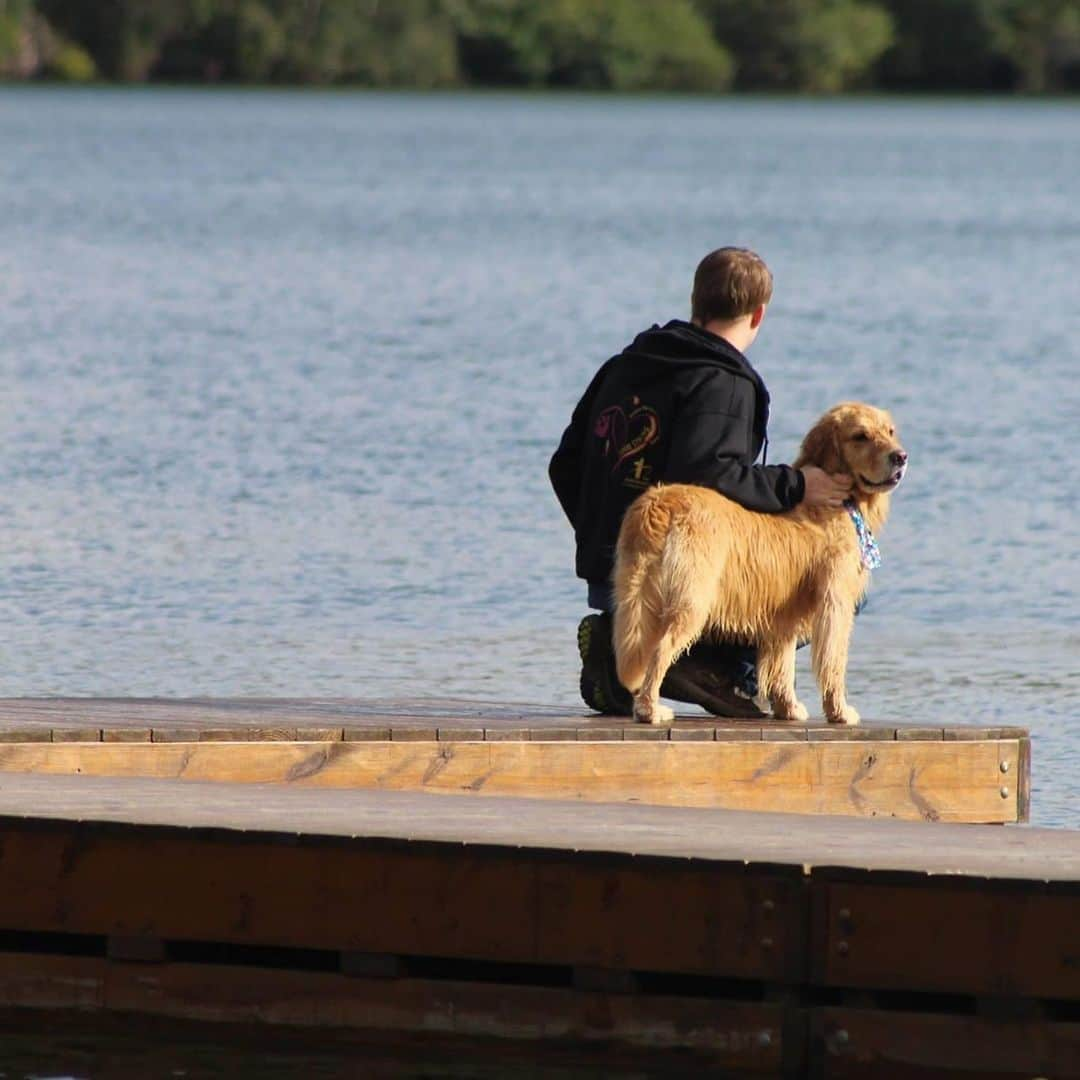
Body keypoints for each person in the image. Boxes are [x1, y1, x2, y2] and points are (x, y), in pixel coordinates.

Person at [548, 247, 851, 716]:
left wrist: (601, 536)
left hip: (611, 570)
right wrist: (796, 486)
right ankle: (717, 669)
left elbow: (563, 465)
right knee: (824, 587)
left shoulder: (625, 364)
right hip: (676, 571)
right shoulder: (723, 381)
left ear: (695, 301)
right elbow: (710, 476)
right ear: (759, 315)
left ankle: (619, 659)